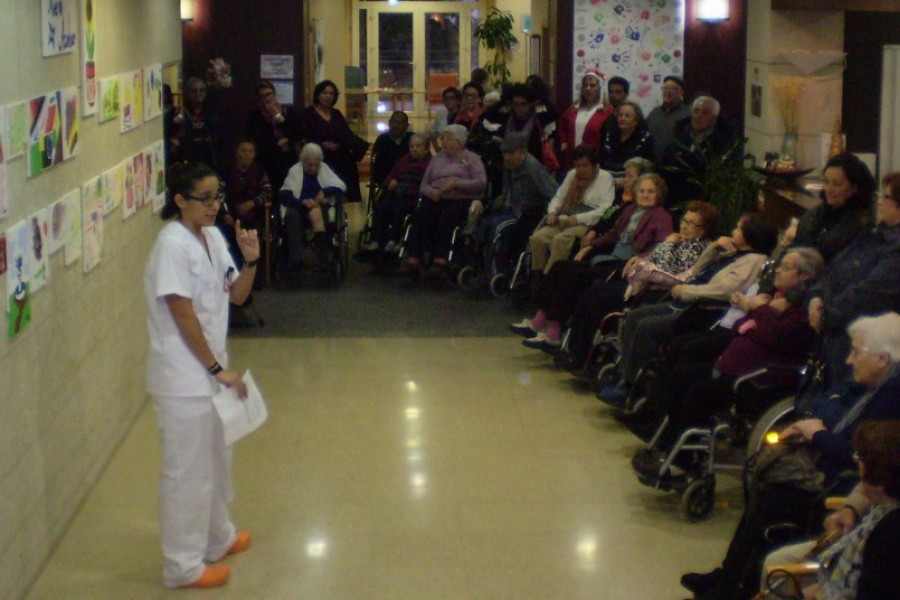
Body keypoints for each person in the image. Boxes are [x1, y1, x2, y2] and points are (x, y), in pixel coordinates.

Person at [681, 313, 900, 600]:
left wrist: (817, 435)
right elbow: (824, 408)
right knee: (763, 478)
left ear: (883, 359)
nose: (848, 360)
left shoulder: (891, 402)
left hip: (842, 481)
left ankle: (732, 587)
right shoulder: (867, 387)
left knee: (773, 497)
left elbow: (859, 457)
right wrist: (810, 429)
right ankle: (730, 575)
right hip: (829, 466)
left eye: (856, 352)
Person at [144, 161, 258, 589]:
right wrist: (215, 369)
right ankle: (182, 566)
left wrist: (251, 262)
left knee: (216, 461)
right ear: (179, 200)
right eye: (204, 198)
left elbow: (237, 296)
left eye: (218, 196)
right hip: (183, 378)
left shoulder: (211, 236)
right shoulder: (171, 244)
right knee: (186, 472)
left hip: (213, 371)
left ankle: (217, 538)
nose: (214, 206)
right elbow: (181, 310)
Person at [628, 247, 824, 458]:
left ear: (805, 276)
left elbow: (774, 335)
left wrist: (758, 311)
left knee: (697, 391)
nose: (777, 270)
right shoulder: (775, 300)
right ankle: (663, 440)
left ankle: (685, 460)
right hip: (732, 367)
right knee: (679, 375)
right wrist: (758, 315)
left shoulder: (802, 311)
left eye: (786, 267)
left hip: (756, 382)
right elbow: (740, 324)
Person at [600, 213, 778, 405]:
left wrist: (687, 291)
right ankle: (624, 376)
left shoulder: (754, 261)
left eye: (738, 228)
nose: (733, 231)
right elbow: (696, 272)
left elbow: (725, 290)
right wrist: (713, 249)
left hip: (705, 310)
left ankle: (631, 387)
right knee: (635, 316)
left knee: (647, 327)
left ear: (750, 234)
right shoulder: (734, 254)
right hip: (688, 301)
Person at [553, 200, 720, 368]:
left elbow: (667, 268)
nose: (684, 226)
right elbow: (652, 259)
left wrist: (667, 244)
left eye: (691, 223)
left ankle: (580, 356)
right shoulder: (681, 241)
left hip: (654, 291)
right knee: (594, 290)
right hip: (641, 283)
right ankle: (573, 350)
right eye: (684, 220)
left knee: (599, 300)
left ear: (704, 229)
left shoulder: (697, 248)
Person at [516, 173, 674, 351]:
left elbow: (663, 247)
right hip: (608, 259)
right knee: (560, 267)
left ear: (659, 193)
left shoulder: (661, 216)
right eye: (642, 190)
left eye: (650, 191)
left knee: (574, 275)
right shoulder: (629, 209)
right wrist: (590, 246)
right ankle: (539, 319)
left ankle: (554, 331)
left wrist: (642, 258)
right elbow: (613, 234)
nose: (645, 194)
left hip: (625, 266)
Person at [760, 421, 900, 600]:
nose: (857, 466)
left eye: (859, 459)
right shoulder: (884, 509)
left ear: (876, 473)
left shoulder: (888, 533)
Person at [806, 171, 900, 392]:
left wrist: (826, 314)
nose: (879, 202)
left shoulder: (895, 249)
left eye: (885, 197)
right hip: (833, 329)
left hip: (861, 341)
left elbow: (869, 294)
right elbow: (834, 269)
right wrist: (815, 297)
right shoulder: (872, 236)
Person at [400, 124, 487, 279]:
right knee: (421, 213)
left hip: (460, 199)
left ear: (459, 141)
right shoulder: (437, 159)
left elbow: (481, 183)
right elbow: (424, 184)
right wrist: (431, 191)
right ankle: (414, 256)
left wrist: (457, 184)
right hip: (437, 197)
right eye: (443, 138)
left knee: (448, 216)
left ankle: (440, 259)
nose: (443, 142)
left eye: (448, 138)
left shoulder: (472, 159)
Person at [470, 130, 558, 278]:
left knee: (498, 229)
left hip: (526, 212)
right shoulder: (509, 166)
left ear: (522, 152)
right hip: (510, 207)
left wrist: (549, 214)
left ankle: (496, 272)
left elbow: (553, 193)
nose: (506, 157)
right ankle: (480, 267)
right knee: (483, 223)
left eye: (510, 153)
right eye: (504, 153)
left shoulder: (533, 169)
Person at [528, 145, 615, 275]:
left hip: (587, 222)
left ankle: (550, 276)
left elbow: (605, 210)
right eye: (577, 166)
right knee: (537, 238)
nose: (580, 170)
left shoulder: (605, 178)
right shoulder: (572, 175)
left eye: (585, 166)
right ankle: (536, 276)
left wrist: (578, 218)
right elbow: (558, 197)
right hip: (566, 216)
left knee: (560, 240)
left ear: (593, 165)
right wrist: (552, 212)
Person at [793, 152, 875, 262]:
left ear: (853, 188)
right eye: (826, 182)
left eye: (837, 184)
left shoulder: (859, 224)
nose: (829, 189)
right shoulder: (817, 213)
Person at [279, 143, 347, 270]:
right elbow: (284, 194)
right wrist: (302, 202)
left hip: (321, 207)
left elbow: (341, 186)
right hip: (299, 207)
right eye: (310, 165)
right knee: (291, 215)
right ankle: (295, 258)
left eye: (316, 164)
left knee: (319, 214)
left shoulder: (324, 168)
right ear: (303, 162)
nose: (313, 168)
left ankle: (324, 258)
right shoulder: (295, 170)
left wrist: (324, 192)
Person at [299, 79, 368, 202]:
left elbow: (345, 133)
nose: (328, 96)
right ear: (318, 94)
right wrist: (322, 144)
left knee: (349, 167)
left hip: (339, 153)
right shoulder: (308, 113)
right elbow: (304, 137)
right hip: (319, 155)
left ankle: (350, 206)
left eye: (331, 94)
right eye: (325, 93)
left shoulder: (336, 114)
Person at [661, 95, 735, 205]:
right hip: (673, 197)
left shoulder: (723, 144)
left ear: (714, 118)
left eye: (705, 113)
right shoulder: (680, 135)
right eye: (695, 111)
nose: (698, 116)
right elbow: (664, 163)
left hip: (703, 200)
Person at [369, 133, 433, 260]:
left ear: (426, 148)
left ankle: (394, 239)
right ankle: (376, 240)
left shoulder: (430, 163)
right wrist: (390, 181)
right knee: (381, 207)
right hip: (397, 191)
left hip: (414, 194)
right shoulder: (403, 160)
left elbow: (429, 183)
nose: (414, 149)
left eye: (418, 146)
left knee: (401, 209)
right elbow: (391, 175)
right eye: (412, 146)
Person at [246, 79, 301, 192]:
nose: (266, 99)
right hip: (268, 163)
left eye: (269, 94)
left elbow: (297, 133)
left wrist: (277, 116)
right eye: (262, 96)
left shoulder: (288, 112)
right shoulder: (254, 116)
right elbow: (258, 140)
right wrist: (277, 144)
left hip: (289, 161)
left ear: (274, 94)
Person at [557, 71, 614, 172]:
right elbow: (562, 125)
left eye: (592, 85)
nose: (588, 89)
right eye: (585, 85)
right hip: (571, 162)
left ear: (599, 88)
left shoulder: (607, 111)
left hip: (593, 164)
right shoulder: (573, 109)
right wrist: (563, 142)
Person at [170, 77, 228, 174]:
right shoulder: (181, 113)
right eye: (194, 91)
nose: (198, 93)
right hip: (189, 159)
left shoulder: (213, 112)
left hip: (210, 158)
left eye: (201, 90)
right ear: (188, 94)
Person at [599, 100, 654, 178]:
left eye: (627, 116)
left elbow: (647, 166)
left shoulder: (644, 139)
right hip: (607, 181)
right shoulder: (610, 135)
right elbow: (603, 160)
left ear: (636, 120)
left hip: (631, 183)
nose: (622, 118)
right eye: (620, 115)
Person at [645, 76, 691, 164]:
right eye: (665, 88)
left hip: (677, 165)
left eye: (674, 89)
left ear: (681, 93)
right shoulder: (655, 112)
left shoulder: (688, 113)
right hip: (652, 162)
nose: (668, 91)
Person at [371, 111, 413, 185]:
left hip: (408, 178)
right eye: (394, 122)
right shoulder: (382, 139)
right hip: (387, 178)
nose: (396, 125)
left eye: (400, 123)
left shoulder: (412, 139)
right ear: (389, 123)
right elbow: (377, 167)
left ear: (407, 126)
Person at [430, 86, 462, 152]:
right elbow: (432, 133)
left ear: (458, 101)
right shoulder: (441, 116)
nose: (448, 101)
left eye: (451, 98)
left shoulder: (463, 116)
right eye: (446, 98)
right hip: (445, 152)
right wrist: (437, 149)